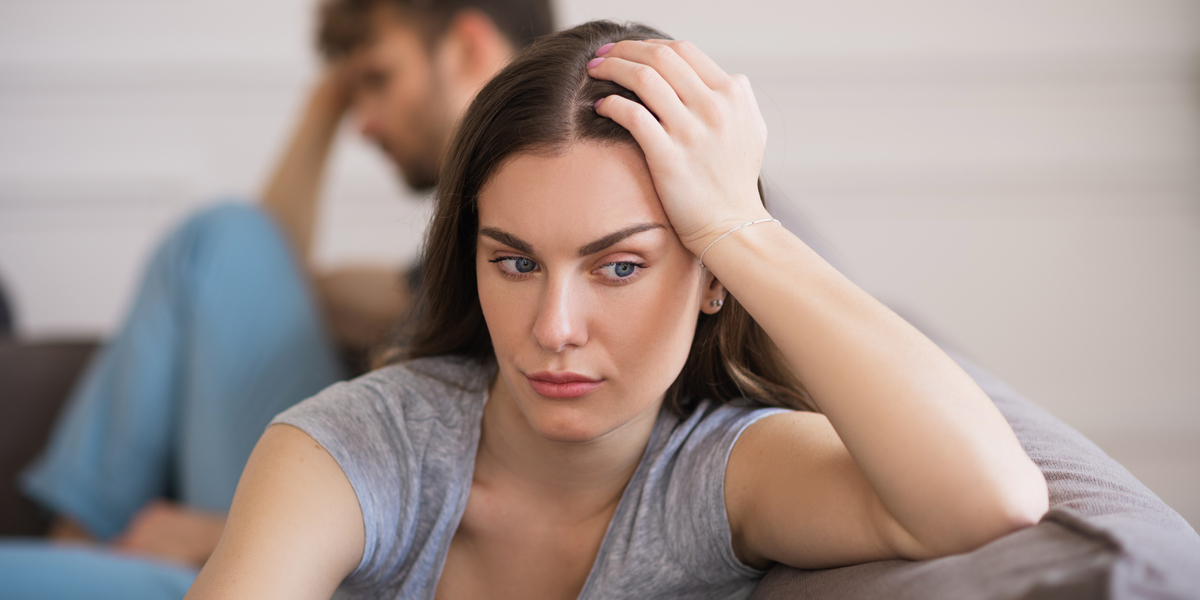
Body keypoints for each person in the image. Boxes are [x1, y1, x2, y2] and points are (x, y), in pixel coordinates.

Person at [184, 20, 1050, 600]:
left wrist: (739, 226)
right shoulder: (353, 449)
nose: (554, 328)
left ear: (714, 278)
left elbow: (992, 498)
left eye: (620, 265)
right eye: (516, 262)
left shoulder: (720, 475)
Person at [1, 0, 551, 596]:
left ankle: (85, 552)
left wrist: (219, 535)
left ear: (469, 48)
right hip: (318, 518)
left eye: (378, 79)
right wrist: (321, 108)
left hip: (343, 552)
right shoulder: (454, 266)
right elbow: (260, 267)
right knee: (219, 236)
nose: (364, 121)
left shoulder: (558, 234)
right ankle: (80, 543)